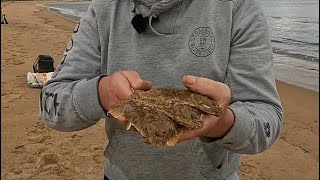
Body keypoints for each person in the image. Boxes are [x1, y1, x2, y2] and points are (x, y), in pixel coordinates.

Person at [40, 0, 284, 179]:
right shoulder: (103, 9)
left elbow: (267, 118)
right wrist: (101, 93)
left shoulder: (238, 8)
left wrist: (223, 124)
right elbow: (51, 105)